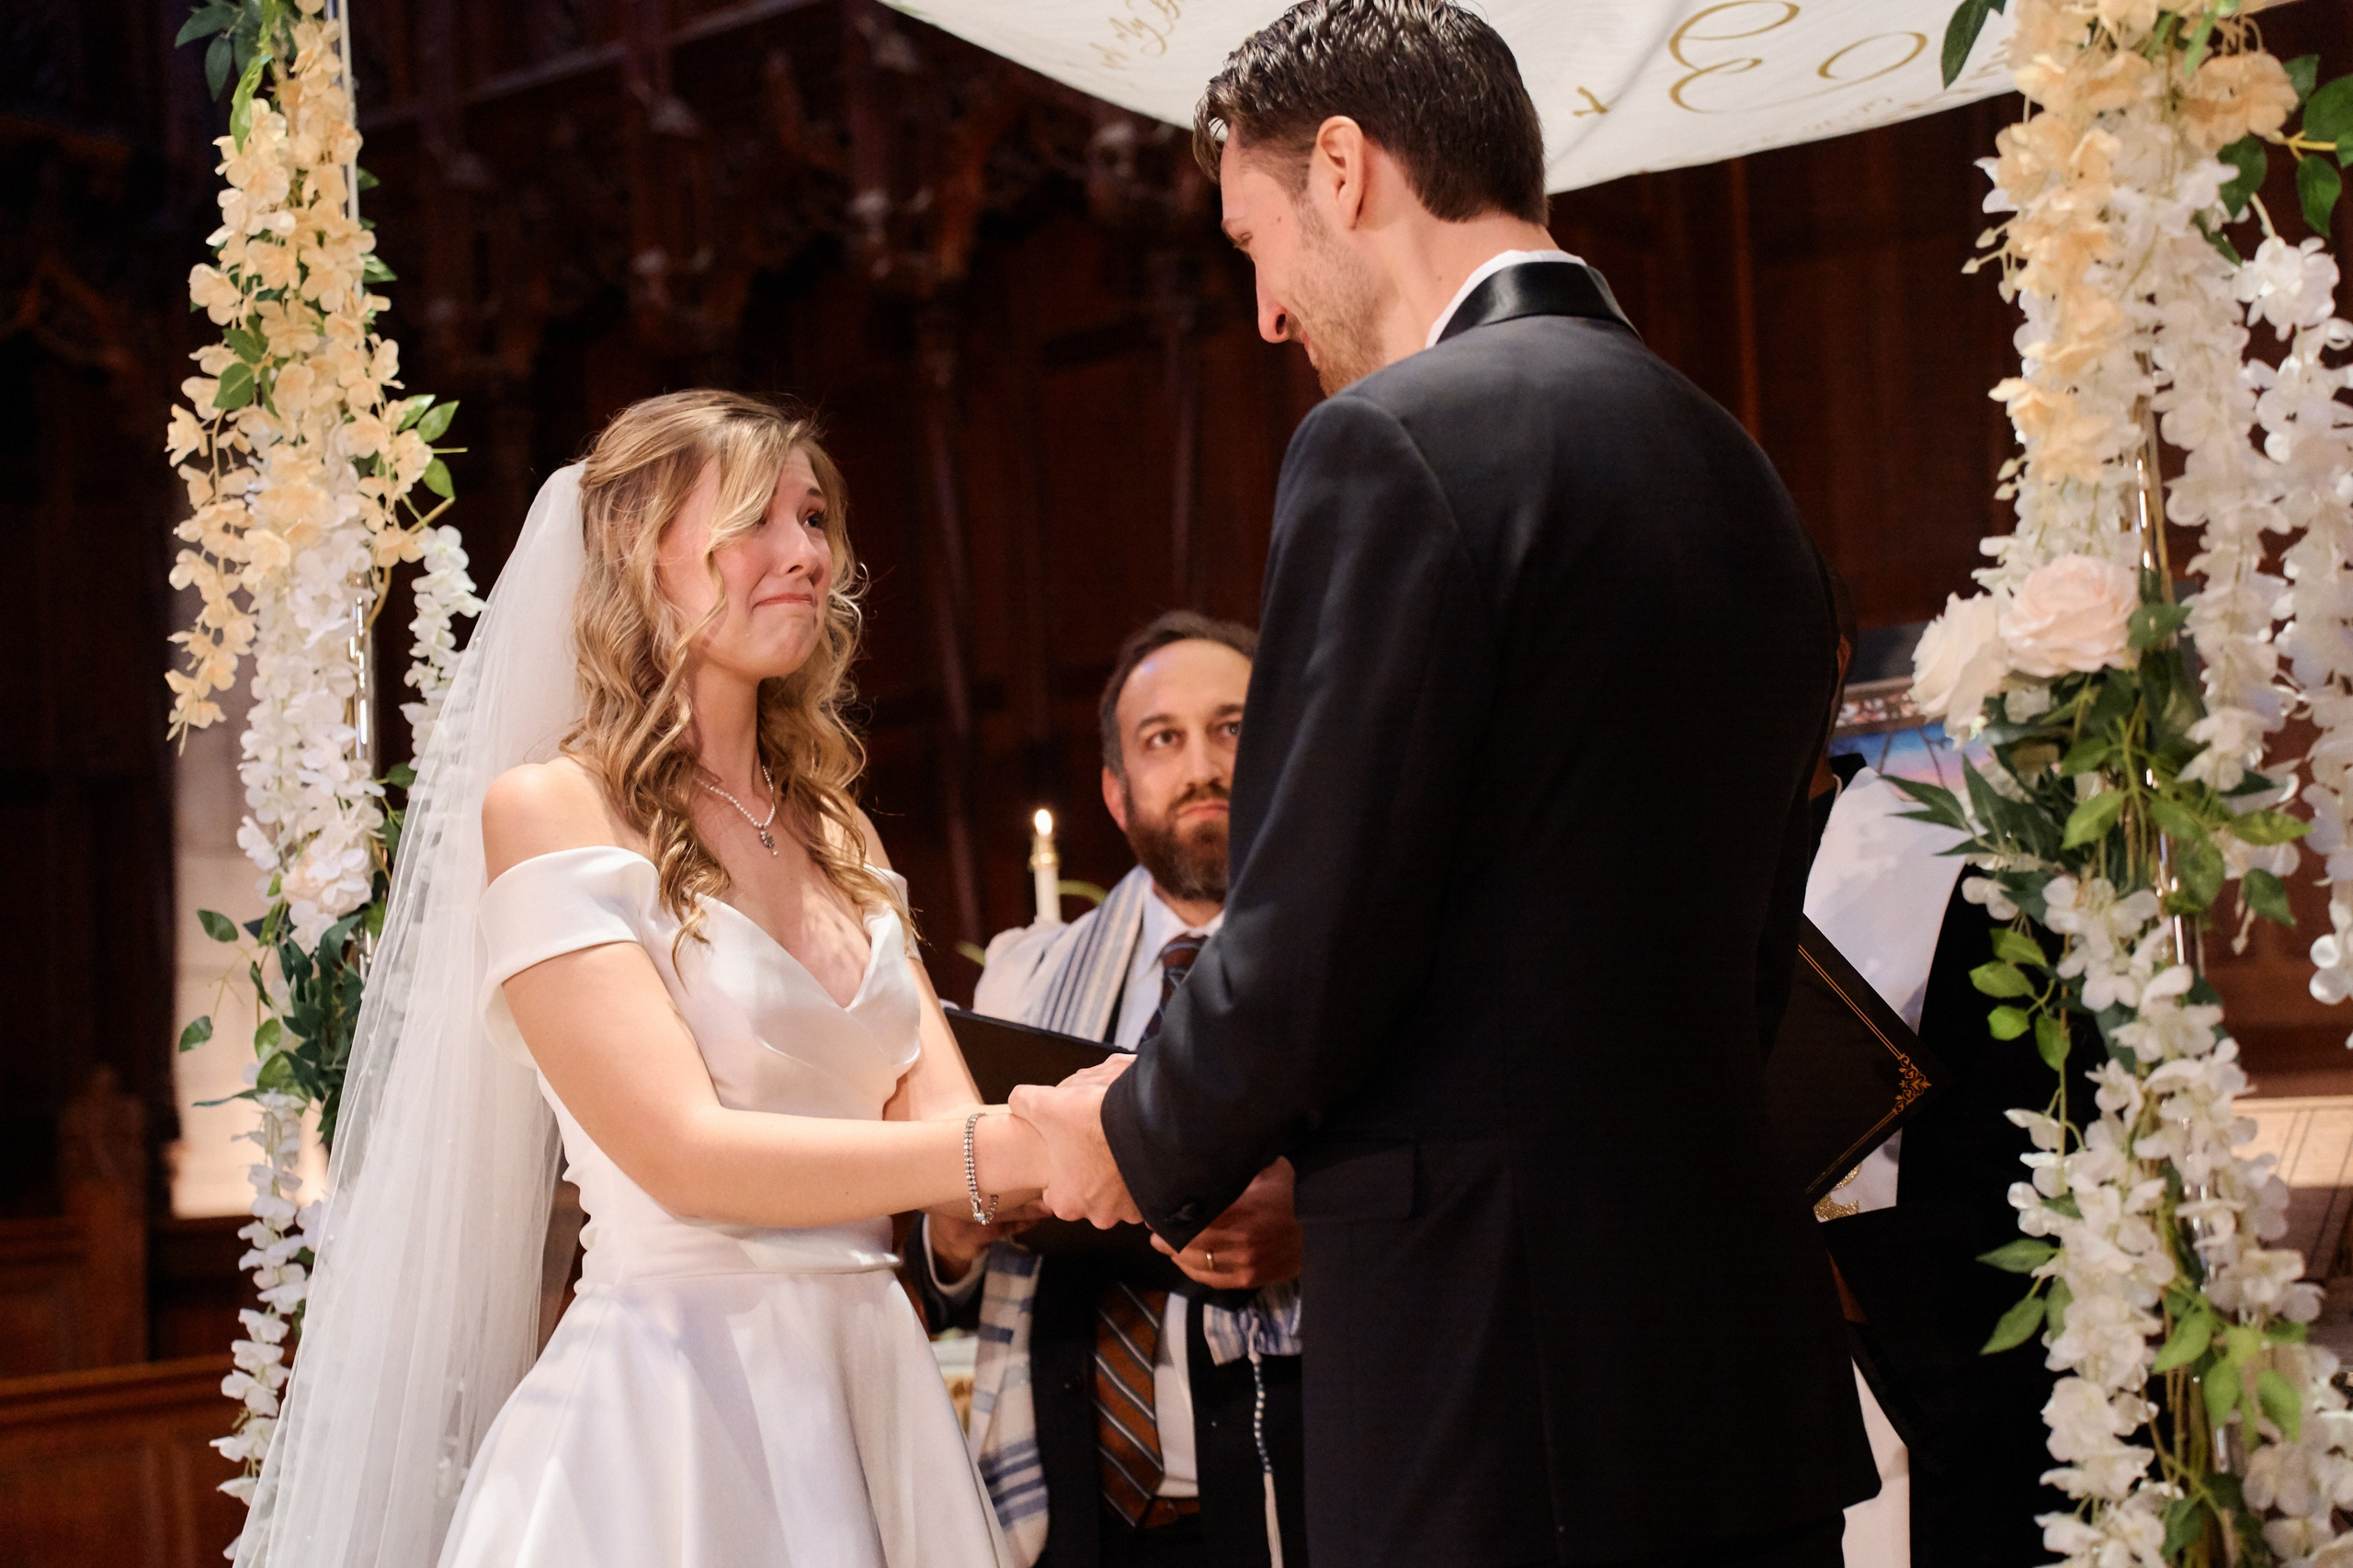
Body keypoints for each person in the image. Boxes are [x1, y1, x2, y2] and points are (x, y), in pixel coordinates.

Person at [1011, 5, 1878, 1567]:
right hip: (1723, 1365)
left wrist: (1131, 1129)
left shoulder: (1397, 441)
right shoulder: (1737, 470)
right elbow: (1746, 965)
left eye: (1253, 238)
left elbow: (1315, 930)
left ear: (1342, 168)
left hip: (1496, 1377)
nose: (1267, 313)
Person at [233, 392, 1048, 1568]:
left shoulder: (840, 832)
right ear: (639, 550)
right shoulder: (550, 809)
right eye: (756, 519)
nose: (805, 553)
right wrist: (1015, 1146)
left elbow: (950, 1137)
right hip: (674, 1406)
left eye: (814, 517)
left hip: (874, 1378)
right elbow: (686, 1154)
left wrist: (1113, 1132)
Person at [916, 611, 1309, 1568]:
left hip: (1291, 1454)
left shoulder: (1341, 966)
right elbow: (946, 1236)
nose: (1202, 765)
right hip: (1070, 1477)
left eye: (1230, 728)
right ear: (1115, 786)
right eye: (1161, 739)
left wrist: (1316, 1218)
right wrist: (957, 1224)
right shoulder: (1025, 975)